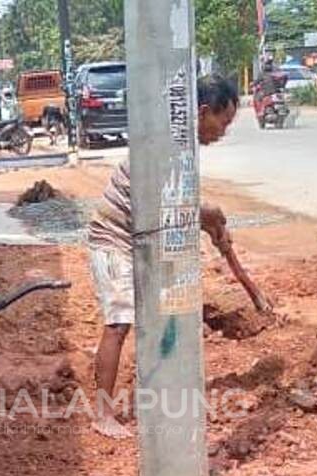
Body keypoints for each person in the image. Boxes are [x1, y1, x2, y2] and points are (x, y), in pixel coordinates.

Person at [87, 74, 239, 439]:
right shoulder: (164, 145)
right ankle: (102, 414)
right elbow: (166, 203)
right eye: (224, 121)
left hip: (140, 238)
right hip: (113, 238)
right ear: (203, 111)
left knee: (157, 317)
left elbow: (179, 203)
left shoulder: (182, 145)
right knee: (119, 322)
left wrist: (211, 223)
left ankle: (154, 391)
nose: (224, 131)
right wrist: (210, 214)